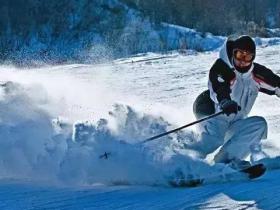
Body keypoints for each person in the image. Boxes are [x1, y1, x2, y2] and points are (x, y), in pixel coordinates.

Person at [191, 35, 280, 169]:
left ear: (253, 57)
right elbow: (219, 89)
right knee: (214, 140)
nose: (242, 61)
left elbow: (277, 84)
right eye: (239, 55)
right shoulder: (222, 68)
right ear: (233, 53)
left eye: (248, 57)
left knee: (258, 125)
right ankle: (183, 164)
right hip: (212, 113)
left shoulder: (257, 74)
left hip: (236, 120)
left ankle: (225, 162)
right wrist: (225, 102)